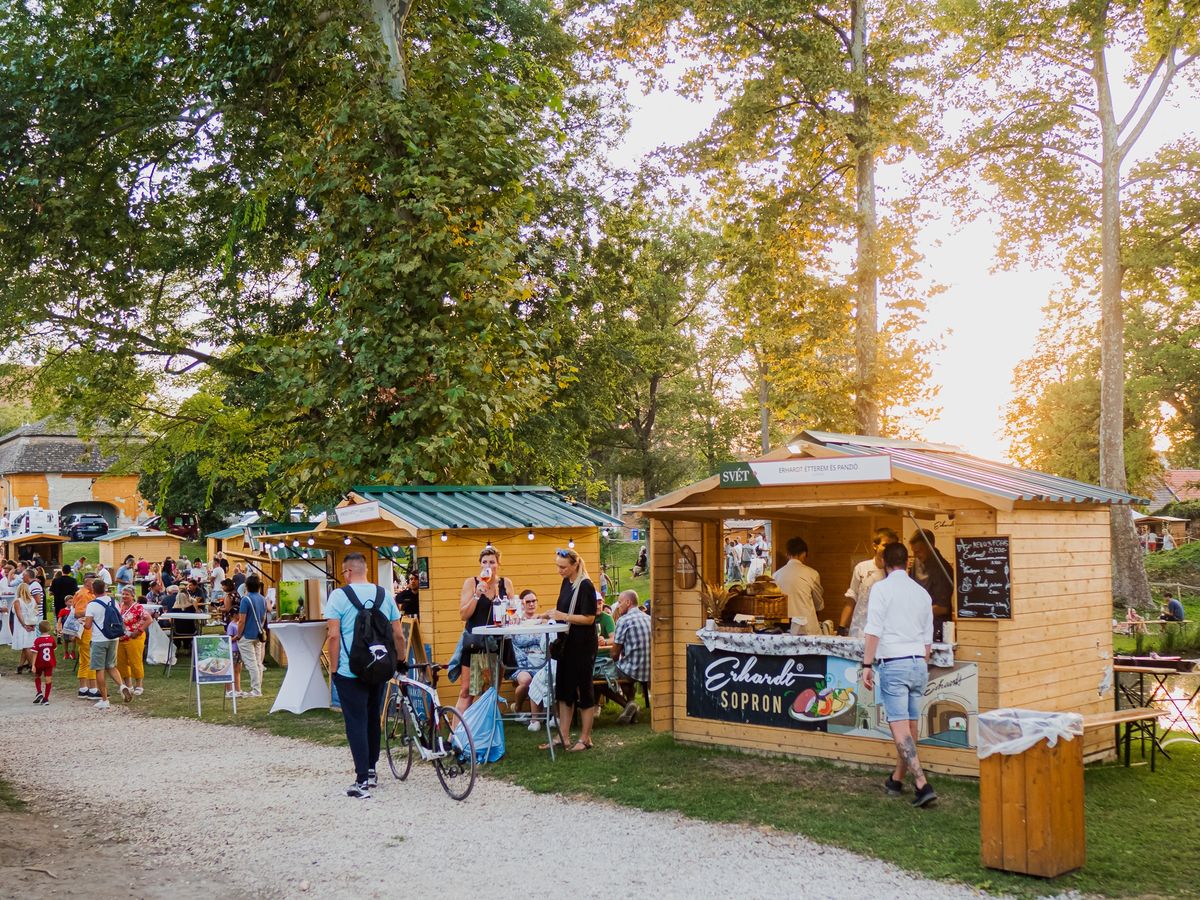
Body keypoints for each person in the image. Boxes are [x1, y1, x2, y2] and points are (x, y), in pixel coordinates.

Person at [861, 542, 937, 808]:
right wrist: (920, 659)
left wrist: (867, 664)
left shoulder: (881, 590)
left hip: (894, 662)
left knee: (899, 726)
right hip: (918, 663)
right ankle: (897, 778)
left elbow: (873, 630)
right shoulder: (922, 593)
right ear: (907, 562)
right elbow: (928, 639)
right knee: (910, 724)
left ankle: (921, 782)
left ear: (884, 562)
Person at [324, 552, 404, 799]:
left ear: (347, 571)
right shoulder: (384, 595)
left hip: (350, 669)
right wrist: (400, 660)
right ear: (365, 570)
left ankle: (361, 781)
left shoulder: (338, 596)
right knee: (371, 718)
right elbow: (398, 634)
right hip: (378, 667)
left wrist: (334, 668)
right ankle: (371, 769)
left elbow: (334, 635)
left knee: (355, 721)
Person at [540, 547, 598, 753]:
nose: (559, 570)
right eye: (557, 566)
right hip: (566, 642)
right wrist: (550, 614)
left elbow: (589, 617)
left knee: (583, 688)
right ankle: (563, 736)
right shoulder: (567, 583)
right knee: (564, 689)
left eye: (563, 567)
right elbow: (563, 611)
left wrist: (562, 616)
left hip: (582, 644)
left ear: (575, 565)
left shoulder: (585, 586)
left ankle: (585, 737)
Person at [456, 546, 514, 712]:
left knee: (492, 691)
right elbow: (463, 615)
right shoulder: (472, 583)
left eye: (492, 562)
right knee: (467, 691)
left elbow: (512, 611)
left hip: (498, 642)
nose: (488, 565)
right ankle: (456, 735)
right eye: (484, 562)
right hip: (475, 643)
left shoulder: (506, 583)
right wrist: (476, 595)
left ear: (498, 564)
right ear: (480, 564)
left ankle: (487, 733)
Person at [84, 579, 133, 708]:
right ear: (105, 589)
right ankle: (122, 686)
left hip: (99, 639)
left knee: (99, 669)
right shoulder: (114, 602)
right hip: (113, 638)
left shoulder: (92, 605)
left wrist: (83, 622)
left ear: (93, 590)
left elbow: (88, 626)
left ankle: (104, 699)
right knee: (111, 666)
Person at [842, 528, 899, 638]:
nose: (889, 550)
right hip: (860, 628)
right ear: (875, 546)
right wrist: (841, 626)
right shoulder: (861, 568)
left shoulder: (897, 572)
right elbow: (852, 597)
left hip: (885, 632)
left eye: (892, 546)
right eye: (885, 545)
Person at [611, 589, 651, 724]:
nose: (618, 605)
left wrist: (611, 656)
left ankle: (628, 704)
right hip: (651, 670)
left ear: (628, 602)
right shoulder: (649, 618)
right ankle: (632, 708)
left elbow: (615, 654)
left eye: (620, 602)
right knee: (624, 668)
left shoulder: (623, 620)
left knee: (600, 677)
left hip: (633, 671)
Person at [908, 529, 954, 642]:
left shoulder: (942, 568)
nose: (916, 555)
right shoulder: (916, 563)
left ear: (931, 546)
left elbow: (943, 608)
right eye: (914, 552)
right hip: (917, 626)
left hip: (936, 628)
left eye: (919, 551)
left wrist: (916, 612)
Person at [510, 589, 547, 731]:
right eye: (528, 601)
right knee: (526, 681)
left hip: (540, 660)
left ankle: (538, 717)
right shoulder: (516, 620)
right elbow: (518, 641)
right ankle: (518, 708)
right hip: (521, 661)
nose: (531, 604)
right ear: (522, 604)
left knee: (545, 677)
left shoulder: (542, 621)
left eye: (534, 601)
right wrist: (534, 637)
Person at [772, 536, 823, 635]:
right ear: (804, 554)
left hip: (782, 626)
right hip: (807, 626)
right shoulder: (812, 574)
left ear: (787, 554)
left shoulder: (776, 575)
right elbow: (819, 604)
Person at [235, 574, 269, 697]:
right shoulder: (263, 599)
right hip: (258, 634)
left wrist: (238, 636)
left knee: (251, 664)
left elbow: (242, 621)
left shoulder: (245, 599)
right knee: (258, 663)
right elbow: (263, 617)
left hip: (247, 635)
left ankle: (256, 690)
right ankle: (257, 687)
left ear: (247, 586)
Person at [116, 585, 151, 696]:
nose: (124, 596)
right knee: (121, 662)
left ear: (132, 596)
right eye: (123, 594)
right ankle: (128, 685)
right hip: (121, 638)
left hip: (135, 637)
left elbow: (148, 619)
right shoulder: (120, 606)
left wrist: (139, 630)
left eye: (127, 594)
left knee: (135, 661)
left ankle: (139, 685)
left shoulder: (138, 607)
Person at [71, 574, 99, 699]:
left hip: (85, 630)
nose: (96, 586)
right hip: (86, 630)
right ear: (88, 583)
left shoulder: (86, 593)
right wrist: (92, 610)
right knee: (90, 658)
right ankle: (93, 689)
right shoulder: (83, 594)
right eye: (94, 583)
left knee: (84, 659)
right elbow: (77, 613)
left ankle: (83, 688)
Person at [11, 582, 39, 673]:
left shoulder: (17, 601)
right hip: (31, 624)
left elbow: (19, 615)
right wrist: (33, 624)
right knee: (26, 645)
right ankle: (20, 666)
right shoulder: (33, 600)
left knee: (26, 646)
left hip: (22, 625)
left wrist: (24, 625)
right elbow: (36, 613)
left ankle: (32, 665)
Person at [32, 620, 57, 704]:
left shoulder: (37, 640)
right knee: (48, 679)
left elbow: (34, 653)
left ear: (39, 629)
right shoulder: (51, 639)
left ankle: (39, 692)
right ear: (49, 628)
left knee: (37, 676)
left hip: (39, 662)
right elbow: (54, 648)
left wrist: (33, 665)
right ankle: (46, 699)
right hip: (49, 662)